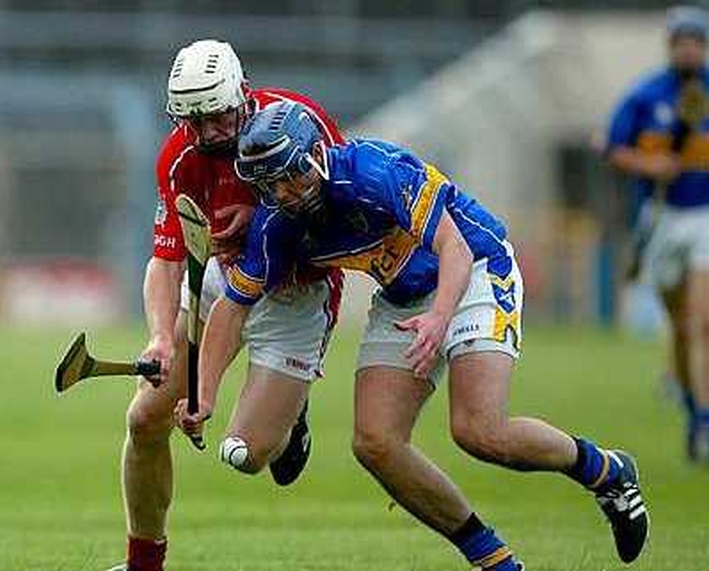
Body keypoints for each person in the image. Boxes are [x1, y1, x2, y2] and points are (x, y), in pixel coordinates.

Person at [175, 100, 650, 569]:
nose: (284, 192)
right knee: (376, 443)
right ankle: (496, 561)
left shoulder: (374, 170)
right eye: (268, 185)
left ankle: (605, 470)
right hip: (405, 297)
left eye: (290, 174)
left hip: (475, 270)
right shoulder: (274, 223)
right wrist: (205, 395)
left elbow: (454, 248)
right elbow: (232, 309)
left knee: (478, 431)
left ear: (316, 154)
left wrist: (439, 320)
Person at [109, 40, 343, 571]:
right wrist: (161, 337)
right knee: (146, 418)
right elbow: (165, 259)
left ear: (241, 93)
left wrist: (263, 223)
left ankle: (288, 420)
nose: (209, 132)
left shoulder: (299, 123)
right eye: (195, 121)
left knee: (249, 456)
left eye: (216, 116)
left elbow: (337, 216)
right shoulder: (179, 156)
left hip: (293, 293)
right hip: (220, 282)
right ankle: (144, 562)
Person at [605, 5, 709, 464]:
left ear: (706, 47)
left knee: (707, 324)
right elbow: (614, 148)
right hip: (662, 217)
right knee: (679, 327)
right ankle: (695, 410)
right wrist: (650, 164)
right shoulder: (645, 96)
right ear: (671, 45)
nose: (690, 49)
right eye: (683, 41)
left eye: (697, 41)